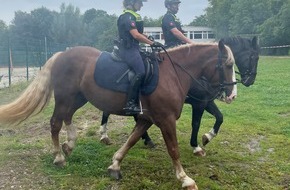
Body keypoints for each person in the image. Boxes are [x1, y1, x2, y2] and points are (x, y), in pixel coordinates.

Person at [118, 0, 162, 114]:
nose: (141, 5)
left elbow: (139, 33)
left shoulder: (133, 16)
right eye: (139, 2)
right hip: (128, 49)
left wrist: (149, 38)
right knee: (141, 72)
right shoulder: (127, 16)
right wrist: (151, 43)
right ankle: (130, 103)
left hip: (134, 48)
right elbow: (135, 35)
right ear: (132, 2)